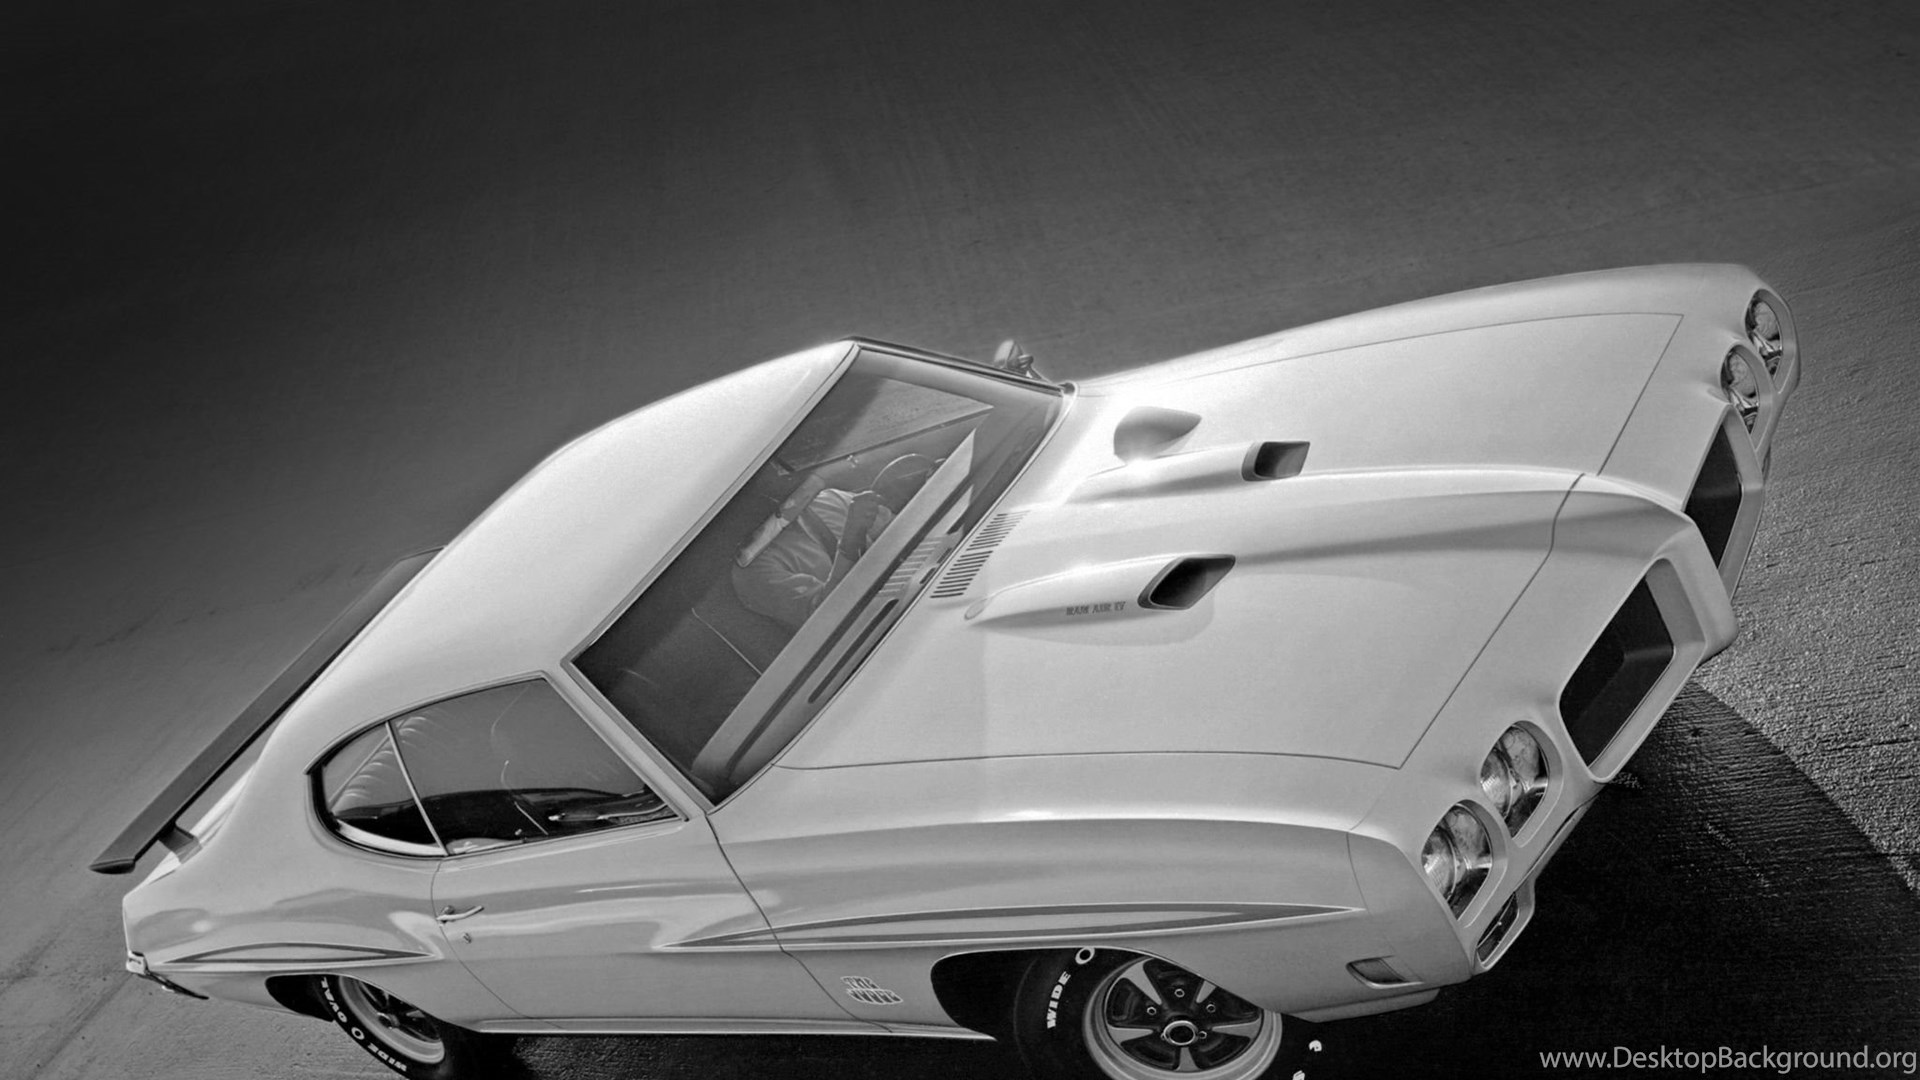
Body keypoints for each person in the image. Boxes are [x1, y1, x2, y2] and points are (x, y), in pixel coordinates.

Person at [732, 454, 935, 630]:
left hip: (921, 587)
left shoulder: (827, 500)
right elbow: (828, 616)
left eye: (773, 472)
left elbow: (909, 533)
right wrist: (850, 542)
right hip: (877, 632)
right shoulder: (752, 572)